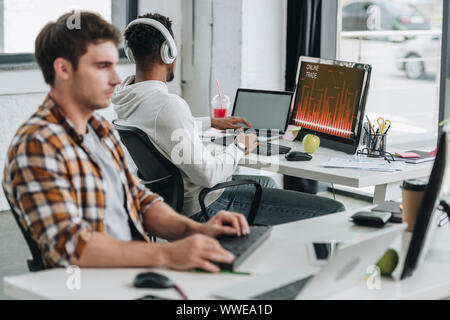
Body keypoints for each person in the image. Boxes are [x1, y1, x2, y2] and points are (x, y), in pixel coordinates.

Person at [2, 11, 250, 273]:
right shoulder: (37, 145)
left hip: (134, 271)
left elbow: (138, 199)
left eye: (114, 64)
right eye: (102, 66)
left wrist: (196, 230)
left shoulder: (99, 131)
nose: (117, 79)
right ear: (63, 69)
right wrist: (168, 253)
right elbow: (72, 246)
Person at [112, 13, 345, 224]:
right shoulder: (168, 105)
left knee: (267, 184)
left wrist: (211, 122)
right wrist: (239, 147)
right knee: (333, 209)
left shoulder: (129, 98)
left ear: (132, 54)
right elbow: (208, 174)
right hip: (205, 206)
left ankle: (255, 247)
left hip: (170, 202)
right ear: (169, 52)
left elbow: (161, 127)